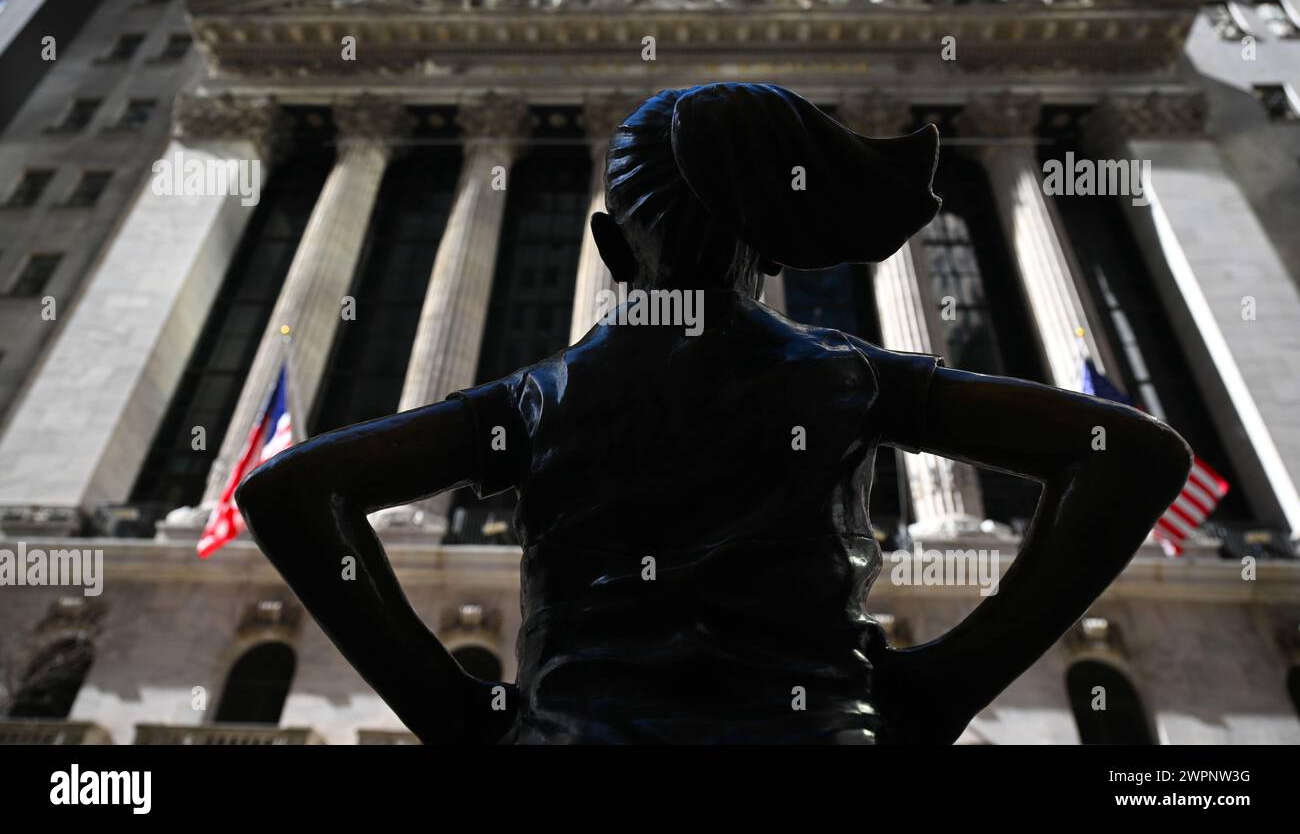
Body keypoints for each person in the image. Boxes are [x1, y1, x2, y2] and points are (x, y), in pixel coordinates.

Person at [236, 83, 1192, 745]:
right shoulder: (847, 378)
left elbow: (288, 491)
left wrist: (455, 714)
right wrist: (948, 681)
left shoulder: (537, 399)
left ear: (611, 248)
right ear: (769, 248)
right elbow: (1132, 455)